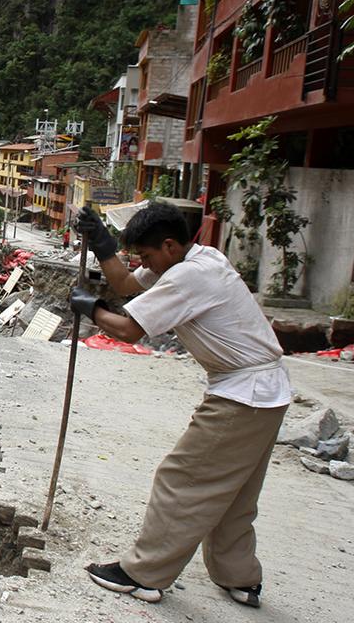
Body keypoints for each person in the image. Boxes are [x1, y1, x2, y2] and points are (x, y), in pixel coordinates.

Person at [69, 203, 290, 609]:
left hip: (243, 394)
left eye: (147, 256)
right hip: (265, 392)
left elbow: (129, 329)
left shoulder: (190, 277)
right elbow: (127, 286)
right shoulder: (198, 257)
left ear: (169, 245)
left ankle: (143, 574)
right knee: (234, 493)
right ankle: (239, 576)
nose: (143, 264)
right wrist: (102, 243)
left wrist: (91, 309)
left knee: (182, 478)